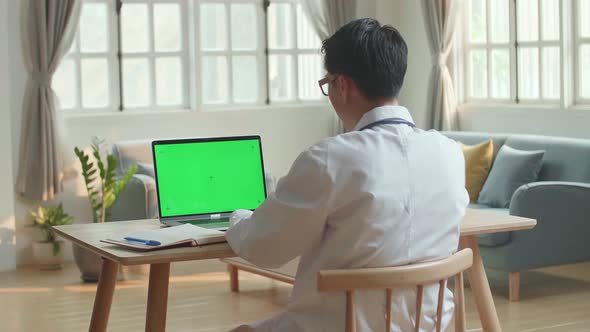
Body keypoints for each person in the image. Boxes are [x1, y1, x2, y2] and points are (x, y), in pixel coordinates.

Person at [226, 18, 469, 332]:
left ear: (342, 84)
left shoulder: (329, 159)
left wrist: (238, 218)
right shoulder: (449, 153)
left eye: (327, 84)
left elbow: (264, 247)